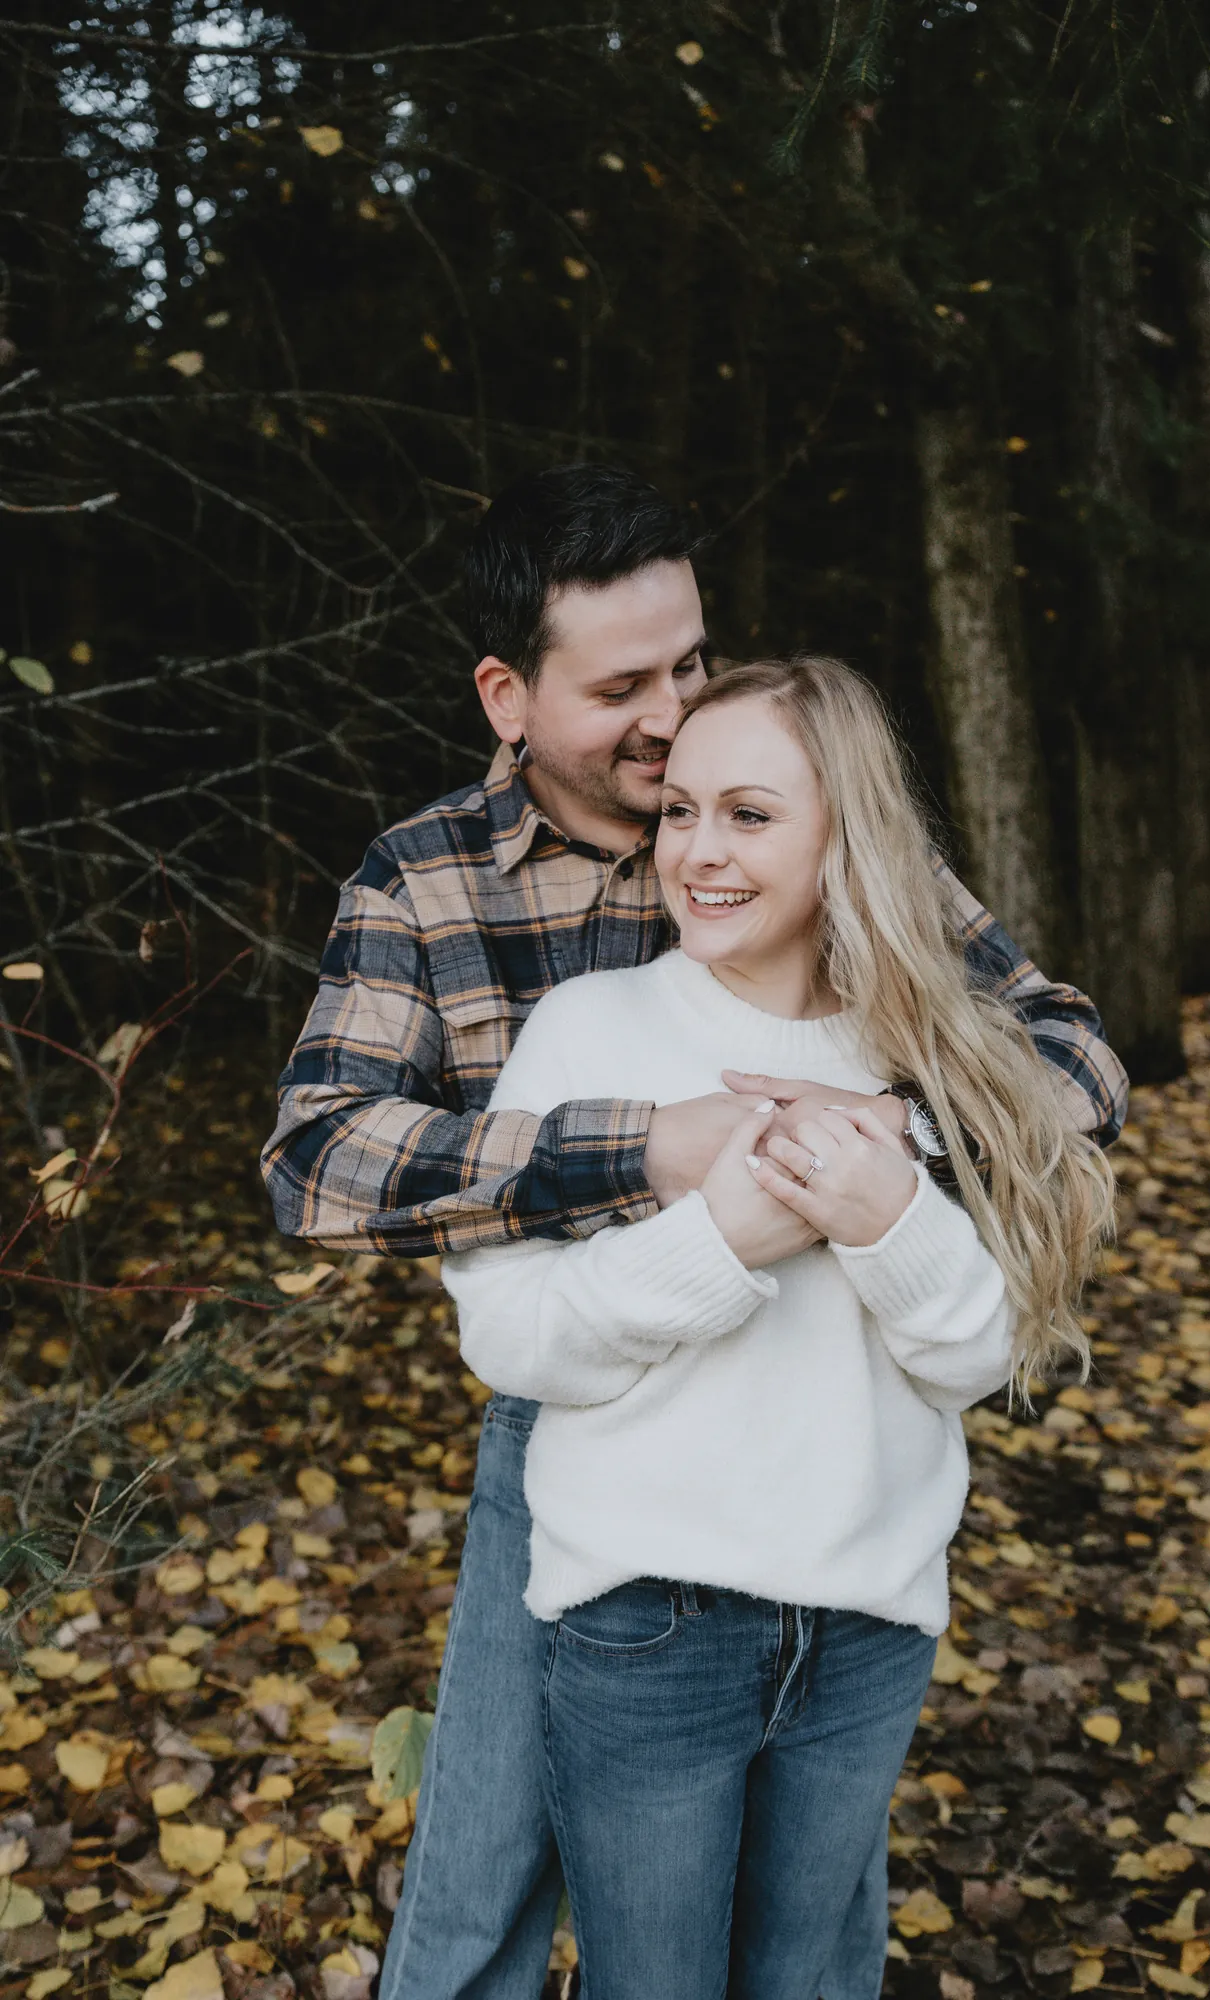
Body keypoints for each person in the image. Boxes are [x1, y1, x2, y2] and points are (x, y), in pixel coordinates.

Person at [261, 463, 1129, 2000]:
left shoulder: (811, 822)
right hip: (574, 1412)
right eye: (622, 688)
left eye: (692, 662)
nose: (672, 716)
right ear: (506, 698)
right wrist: (644, 1150)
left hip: (825, 1446)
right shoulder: (432, 880)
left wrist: (862, 1154)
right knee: (484, 1865)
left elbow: (1066, 1056)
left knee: (814, 1913)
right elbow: (322, 1161)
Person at [441, 655, 1115, 1996]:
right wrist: (722, 1244)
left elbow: (974, 1357)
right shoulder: (591, 1031)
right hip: (646, 1625)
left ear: (845, 833)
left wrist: (885, 1212)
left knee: (810, 1976)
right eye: (680, 812)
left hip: (863, 1629)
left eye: (749, 815)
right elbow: (508, 1340)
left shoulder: (932, 1058)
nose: (698, 852)